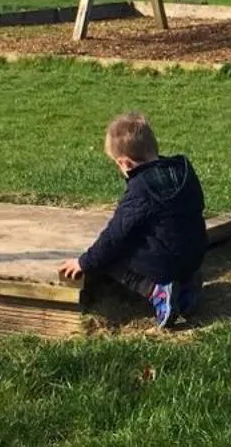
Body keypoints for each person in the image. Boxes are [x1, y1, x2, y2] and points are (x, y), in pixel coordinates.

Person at [60, 112, 207, 329]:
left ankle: (157, 291)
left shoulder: (141, 190)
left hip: (166, 262)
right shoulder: (181, 169)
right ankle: (187, 285)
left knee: (113, 255)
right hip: (195, 253)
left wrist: (84, 262)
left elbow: (115, 236)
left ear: (125, 163)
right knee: (167, 232)